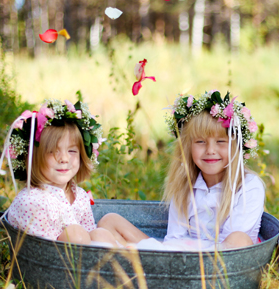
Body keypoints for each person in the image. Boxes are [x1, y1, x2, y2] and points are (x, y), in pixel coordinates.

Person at [101, 90, 265, 251]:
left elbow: (231, 250)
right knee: (109, 221)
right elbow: (174, 238)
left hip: (219, 261)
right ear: (188, 147)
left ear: (235, 146)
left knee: (239, 239)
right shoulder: (185, 184)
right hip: (180, 253)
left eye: (220, 141)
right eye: (200, 141)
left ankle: (141, 256)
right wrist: (172, 253)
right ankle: (150, 260)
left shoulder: (247, 186)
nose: (210, 150)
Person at [0, 99, 125, 246]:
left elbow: (91, 235)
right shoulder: (32, 202)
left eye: (71, 151)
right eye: (52, 151)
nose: (64, 158)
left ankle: (150, 253)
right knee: (76, 235)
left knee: (106, 225)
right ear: (33, 158)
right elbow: (43, 251)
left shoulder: (80, 197)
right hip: (56, 264)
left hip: (89, 258)